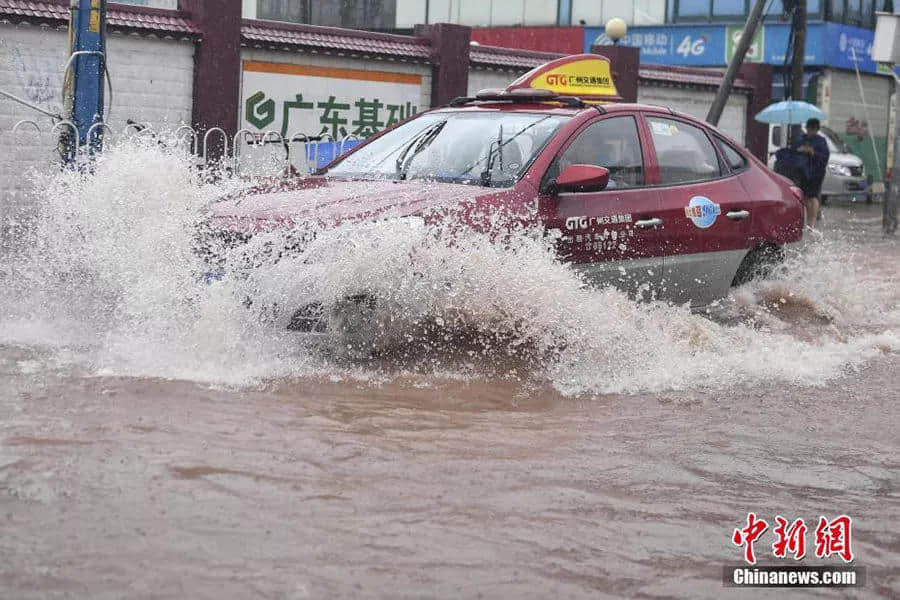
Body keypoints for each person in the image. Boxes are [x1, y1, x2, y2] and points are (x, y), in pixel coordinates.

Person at [791, 118, 829, 228]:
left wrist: (813, 153)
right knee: (805, 197)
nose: (811, 131)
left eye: (813, 129)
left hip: (816, 173)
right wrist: (800, 150)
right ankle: (809, 218)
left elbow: (824, 157)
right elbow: (794, 152)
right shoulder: (801, 139)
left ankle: (811, 223)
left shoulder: (821, 141)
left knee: (813, 196)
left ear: (817, 129)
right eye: (809, 129)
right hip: (803, 172)